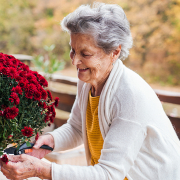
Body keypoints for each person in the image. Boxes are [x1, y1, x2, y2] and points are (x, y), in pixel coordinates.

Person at [1, 2, 180, 180]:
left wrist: (42, 170)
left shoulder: (129, 97)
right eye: (73, 51)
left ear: (115, 51)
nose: (75, 61)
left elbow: (108, 174)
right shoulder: (88, 80)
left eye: (85, 54)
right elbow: (77, 128)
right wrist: (50, 141)